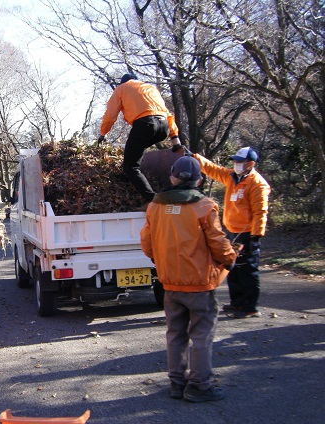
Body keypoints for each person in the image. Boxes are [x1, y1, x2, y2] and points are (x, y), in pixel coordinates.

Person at [140, 156, 237, 402]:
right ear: (200, 179)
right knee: (201, 336)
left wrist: (160, 261)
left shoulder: (155, 206)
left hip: (170, 283)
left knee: (175, 333)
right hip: (199, 285)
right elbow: (217, 242)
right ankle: (199, 386)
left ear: (172, 177)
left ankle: (177, 383)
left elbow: (147, 244)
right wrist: (230, 257)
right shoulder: (204, 206)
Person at [194, 147, 271, 319]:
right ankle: (237, 302)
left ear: (250, 164)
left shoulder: (257, 184)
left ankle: (250, 307)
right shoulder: (231, 177)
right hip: (231, 231)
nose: (236, 164)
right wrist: (195, 157)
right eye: (235, 161)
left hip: (247, 233)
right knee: (232, 268)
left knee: (248, 270)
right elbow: (214, 169)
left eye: (239, 162)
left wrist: (256, 236)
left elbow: (260, 212)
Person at [98, 73, 182, 209]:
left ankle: (152, 199)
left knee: (131, 166)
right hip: (163, 128)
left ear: (123, 82)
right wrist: (175, 140)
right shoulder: (151, 89)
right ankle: (128, 176)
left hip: (145, 125)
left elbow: (110, 115)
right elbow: (169, 115)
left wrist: (103, 133)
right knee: (133, 154)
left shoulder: (122, 88)